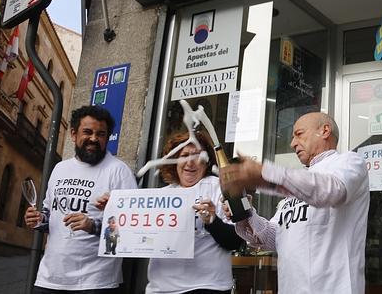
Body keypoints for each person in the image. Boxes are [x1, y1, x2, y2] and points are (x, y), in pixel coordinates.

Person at [220, 112, 369, 294]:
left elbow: (330, 190)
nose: (292, 144)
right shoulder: (298, 185)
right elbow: (273, 237)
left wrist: (264, 174)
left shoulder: (349, 162)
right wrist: (247, 213)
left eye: (299, 134)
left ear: (325, 131)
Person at [24, 105, 138, 293]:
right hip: (49, 279)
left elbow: (131, 231)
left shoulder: (119, 171)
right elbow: (50, 216)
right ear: (73, 134)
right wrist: (38, 220)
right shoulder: (60, 169)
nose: (94, 138)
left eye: (101, 134)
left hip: (96, 283)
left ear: (107, 138)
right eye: (87, 132)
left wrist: (92, 226)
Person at [145, 131, 243, 294]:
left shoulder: (219, 188)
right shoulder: (161, 196)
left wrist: (212, 222)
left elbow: (235, 241)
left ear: (207, 162)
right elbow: (138, 239)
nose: (190, 162)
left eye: (198, 156)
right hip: (160, 289)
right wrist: (113, 210)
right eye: (184, 155)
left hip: (207, 287)